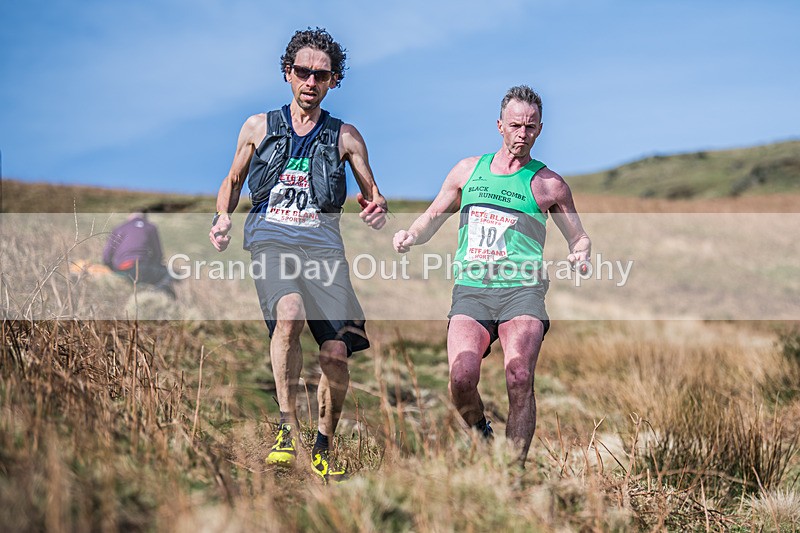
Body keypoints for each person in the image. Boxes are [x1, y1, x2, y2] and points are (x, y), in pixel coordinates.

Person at [209, 28, 387, 483]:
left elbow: (372, 191)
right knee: (288, 316)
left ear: (333, 80)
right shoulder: (258, 126)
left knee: (334, 352)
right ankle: (287, 431)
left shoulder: (345, 135)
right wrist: (223, 217)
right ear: (288, 73)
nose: (310, 81)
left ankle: (323, 445)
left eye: (321, 74)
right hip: (272, 239)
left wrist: (377, 208)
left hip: (324, 249)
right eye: (302, 71)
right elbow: (232, 179)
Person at [393, 85, 591, 467]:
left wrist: (579, 252)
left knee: (519, 376)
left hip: (523, 292)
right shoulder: (469, 171)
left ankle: (512, 472)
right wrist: (411, 235)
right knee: (462, 377)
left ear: (540, 129)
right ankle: (481, 433)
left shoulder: (549, 184)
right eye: (516, 125)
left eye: (531, 127)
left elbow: (578, 235)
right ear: (499, 125)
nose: (522, 133)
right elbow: (433, 216)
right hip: (473, 291)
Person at [103, 211, 175, 298]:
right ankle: (153, 297)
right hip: (143, 267)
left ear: (129, 214)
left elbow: (106, 256)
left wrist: (113, 270)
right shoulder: (150, 227)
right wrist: (154, 265)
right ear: (145, 216)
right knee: (171, 274)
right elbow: (158, 254)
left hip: (122, 269)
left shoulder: (119, 228)